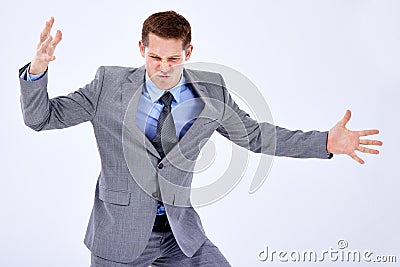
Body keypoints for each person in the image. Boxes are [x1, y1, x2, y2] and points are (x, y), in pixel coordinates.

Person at [19, 11, 382, 267]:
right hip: (119, 237)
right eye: (155, 56)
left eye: (173, 58)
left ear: (188, 53)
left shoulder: (212, 93)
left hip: (181, 236)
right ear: (141, 49)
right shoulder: (107, 85)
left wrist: (324, 143)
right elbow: (41, 118)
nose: (163, 67)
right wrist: (38, 70)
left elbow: (254, 136)